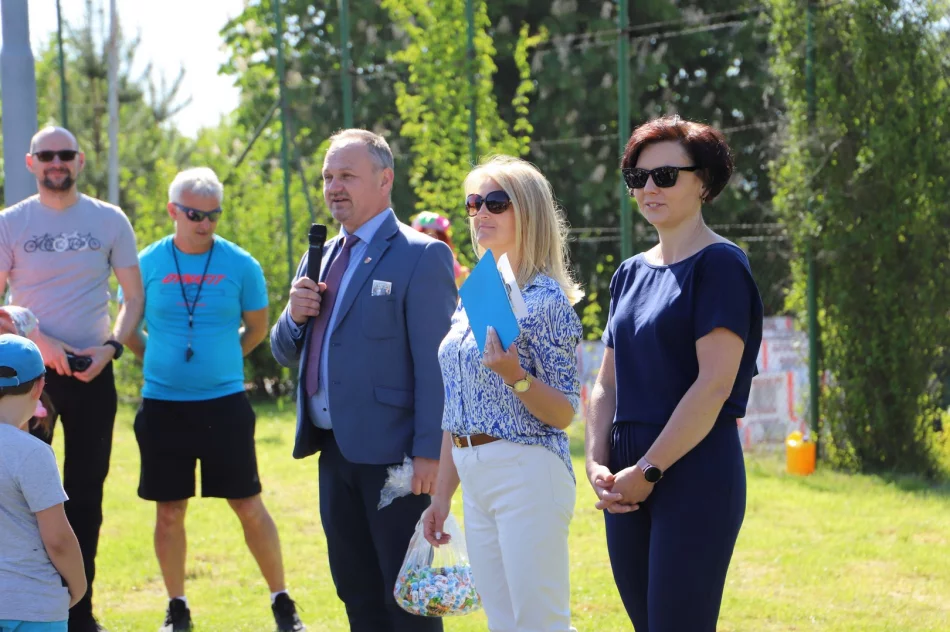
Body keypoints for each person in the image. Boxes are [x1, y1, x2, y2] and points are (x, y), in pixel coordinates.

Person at [270, 129, 457, 631]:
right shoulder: (322, 254)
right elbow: (285, 350)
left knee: (407, 598)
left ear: (385, 179)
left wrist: (429, 454)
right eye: (329, 176)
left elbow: (436, 363)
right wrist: (292, 316)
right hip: (334, 451)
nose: (335, 187)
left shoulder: (421, 255)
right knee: (355, 587)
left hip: (397, 459)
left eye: (347, 176)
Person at [584, 115, 764, 632]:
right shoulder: (630, 272)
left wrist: (649, 471)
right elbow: (606, 383)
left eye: (665, 176)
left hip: (694, 468)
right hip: (625, 475)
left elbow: (713, 386)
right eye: (638, 178)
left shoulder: (721, 265)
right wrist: (599, 465)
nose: (648, 189)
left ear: (704, 182)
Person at [124, 168, 305, 632]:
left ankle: (282, 601)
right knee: (169, 511)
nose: (204, 223)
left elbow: (258, 328)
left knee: (247, 503)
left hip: (223, 404)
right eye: (194, 215)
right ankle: (177, 606)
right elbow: (129, 330)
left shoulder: (241, 264)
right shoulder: (146, 262)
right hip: (162, 404)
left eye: (212, 215)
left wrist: (221, 357)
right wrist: (160, 358)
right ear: (173, 212)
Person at [420, 155, 583, 631]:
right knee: (505, 624)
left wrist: (516, 376)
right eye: (474, 203)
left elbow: (564, 412)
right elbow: (458, 409)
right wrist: (441, 496)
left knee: (541, 625)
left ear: (527, 212)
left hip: (527, 469)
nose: (480, 213)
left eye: (496, 202)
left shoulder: (547, 299)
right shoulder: (475, 294)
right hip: (475, 475)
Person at [0, 126, 144, 632]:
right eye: (46, 156)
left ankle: (78, 612)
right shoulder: (10, 223)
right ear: (30, 162)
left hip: (93, 375)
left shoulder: (109, 219)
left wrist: (110, 348)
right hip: (23, 379)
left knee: (86, 495)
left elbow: (132, 298)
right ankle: (22, 604)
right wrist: (41, 343)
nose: (56, 163)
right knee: (19, 494)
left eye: (65, 155)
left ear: (80, 161)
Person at [0, 334, 86, 632]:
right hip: (31, 606)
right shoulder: (33, 453)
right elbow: (58, 539)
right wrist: (79, 587)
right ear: (39, 386)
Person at [410, 211, 469, 287]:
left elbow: (460, 290)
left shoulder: (449, 262)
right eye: (425, 236)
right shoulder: (410, 262)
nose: (432, 241)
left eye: (437, 236)